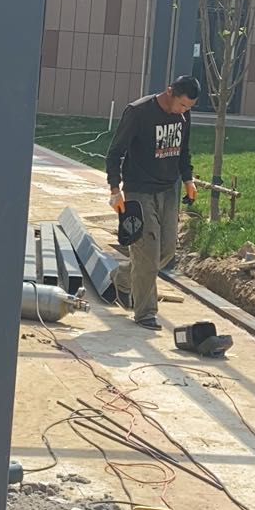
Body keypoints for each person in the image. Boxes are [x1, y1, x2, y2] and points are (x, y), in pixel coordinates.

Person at [106, 74, 201, 329]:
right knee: (147, 251)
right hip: (139, 191)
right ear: (170, 92)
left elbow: (183, 150)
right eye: (182, 105)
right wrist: (115, 190)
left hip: (168, 190)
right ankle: (145, 312)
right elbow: (115, 153)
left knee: (166, 250)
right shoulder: (138, 112)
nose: (184, 111)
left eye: (189, 107)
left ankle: (122, 278)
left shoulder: (183, 115)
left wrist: (188, 179)